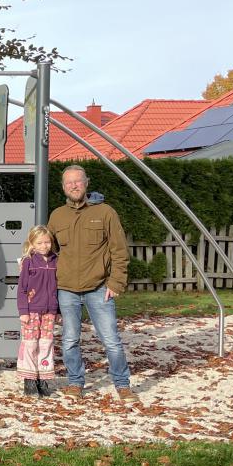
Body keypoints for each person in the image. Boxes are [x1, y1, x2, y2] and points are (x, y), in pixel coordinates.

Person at [48, 165, 139, 402]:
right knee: (69, 340)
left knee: (111, 340)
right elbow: (50, 251)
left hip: (99, 288)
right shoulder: (57, 216)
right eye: (69, 183)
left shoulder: (106, 212)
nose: (74, 186)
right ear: (63, 187)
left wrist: (116, 283)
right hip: (66, 289)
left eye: (78, 181)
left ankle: (122, 384)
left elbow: (119, 251)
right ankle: (75, 383)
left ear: (86, 183)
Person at [16, 225, 60, 398]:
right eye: (40, 243)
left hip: (49, 311)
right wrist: (23, 311)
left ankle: (43, 379)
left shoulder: (56, 260)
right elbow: (22, 289)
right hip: (32, 310)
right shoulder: (29, 261)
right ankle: (29, 381)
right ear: (32, 244)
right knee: (30, 344)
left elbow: (59, 288)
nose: (44, 246)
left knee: (46, 344)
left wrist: (58, 310)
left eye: (47, 242)